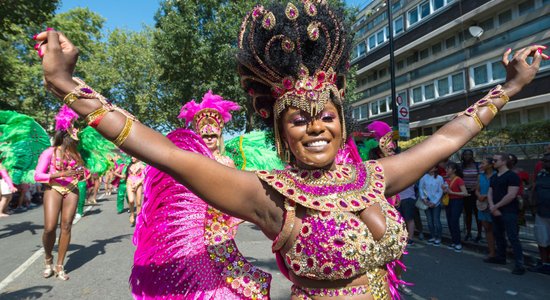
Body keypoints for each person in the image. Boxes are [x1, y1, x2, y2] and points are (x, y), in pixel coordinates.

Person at [34, 1, 546, 297]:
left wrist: (513, 87)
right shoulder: (269, 197)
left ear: (343, 123)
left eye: (327, 117)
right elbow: (164, 153)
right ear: (281, 133)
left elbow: (448, 137)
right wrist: (66, 85)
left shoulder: (377, 176)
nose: (316, 128)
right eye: (300, 120)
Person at [34, 105, 84, 281]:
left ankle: (60, 265)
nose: (77, 130)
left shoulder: (76, 154)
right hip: (54, 188)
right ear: (65, 133)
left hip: (71, 189)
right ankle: (48, 259)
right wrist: (60, 174)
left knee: (67, 226)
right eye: (73, 127)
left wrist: (82, 173)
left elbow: (84, 175)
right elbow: (37, 175)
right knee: (49, 228)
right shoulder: (50, 152)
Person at [485, 153, 525, 275]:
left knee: (513, 237)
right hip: (495, 210)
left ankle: (520, 264)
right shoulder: (494, 176)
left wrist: (496, 206)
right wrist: (492, 206)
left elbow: (511, 195)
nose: (493, 162)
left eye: (495, 160)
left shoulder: (512, 176)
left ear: (503, 161)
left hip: (509, 211)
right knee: (498, 234)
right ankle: (501, 257)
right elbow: (490, 192)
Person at [528, 152, 550, 275]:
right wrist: (532, 204)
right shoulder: (541, 174)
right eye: (544, 161)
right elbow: (534, 188)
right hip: (541, 212)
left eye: (548, 161)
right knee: (542, 240)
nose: (546, 163)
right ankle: (544, 263)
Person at [443, 162, 469, 252]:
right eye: (446, 168)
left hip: (457, 201)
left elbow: (465, 193)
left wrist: (452, 192)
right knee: (450, 221)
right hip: (449, 201)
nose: (446, 170)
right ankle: (454, 241)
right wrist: (444, 190)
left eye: (448, 168)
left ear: (454, 170)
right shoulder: (446, 180)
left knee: (454, 221)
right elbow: (446, 191)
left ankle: (458, 243)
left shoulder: (458, 180)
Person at [475, 157, 496, 260]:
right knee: (487, 229)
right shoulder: (480, 176)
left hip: (494, 205)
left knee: (497, 230)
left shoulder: (497, 175)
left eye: (482, 163)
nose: (480, 165)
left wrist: (487, 196)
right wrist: (479, 195)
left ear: (490, 164)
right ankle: (491, 252)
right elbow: (477, 189)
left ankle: (500, 251)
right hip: (483, 206)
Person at [419, 166, 445, 246]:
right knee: (429, 221)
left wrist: (434, 202)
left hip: (436, 203)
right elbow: (421, 188)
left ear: (436, 168)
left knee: (436, 220)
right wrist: (424, 199)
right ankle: (433, 236)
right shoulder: (424, 177)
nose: (430, 168)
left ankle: (439, 237)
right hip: (426, 202)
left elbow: (440, 191)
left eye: (433, 167)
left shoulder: (439, 178)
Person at [460, 149, 481, 242]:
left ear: (472, 155)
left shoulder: (477, 165)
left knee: (477, 214)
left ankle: (479, 233)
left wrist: (476, 187)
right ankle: (468, 232)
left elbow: (480, 178)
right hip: (465, 192)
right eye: (465, 155)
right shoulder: (461, 166)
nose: (467, 156)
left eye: (469, 154)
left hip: (476, 192)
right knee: (468, 214)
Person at [126, 157, 145, 226]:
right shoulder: (129, 165)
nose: (132, 158)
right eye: (131, 157)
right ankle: (132, 214)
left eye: (133, 156)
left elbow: (144, 176)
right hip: (130, 182)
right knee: (131, 200)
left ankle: (138, 218)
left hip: (138, 183)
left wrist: (137, 183)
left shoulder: (142, 166)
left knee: (138, 202)